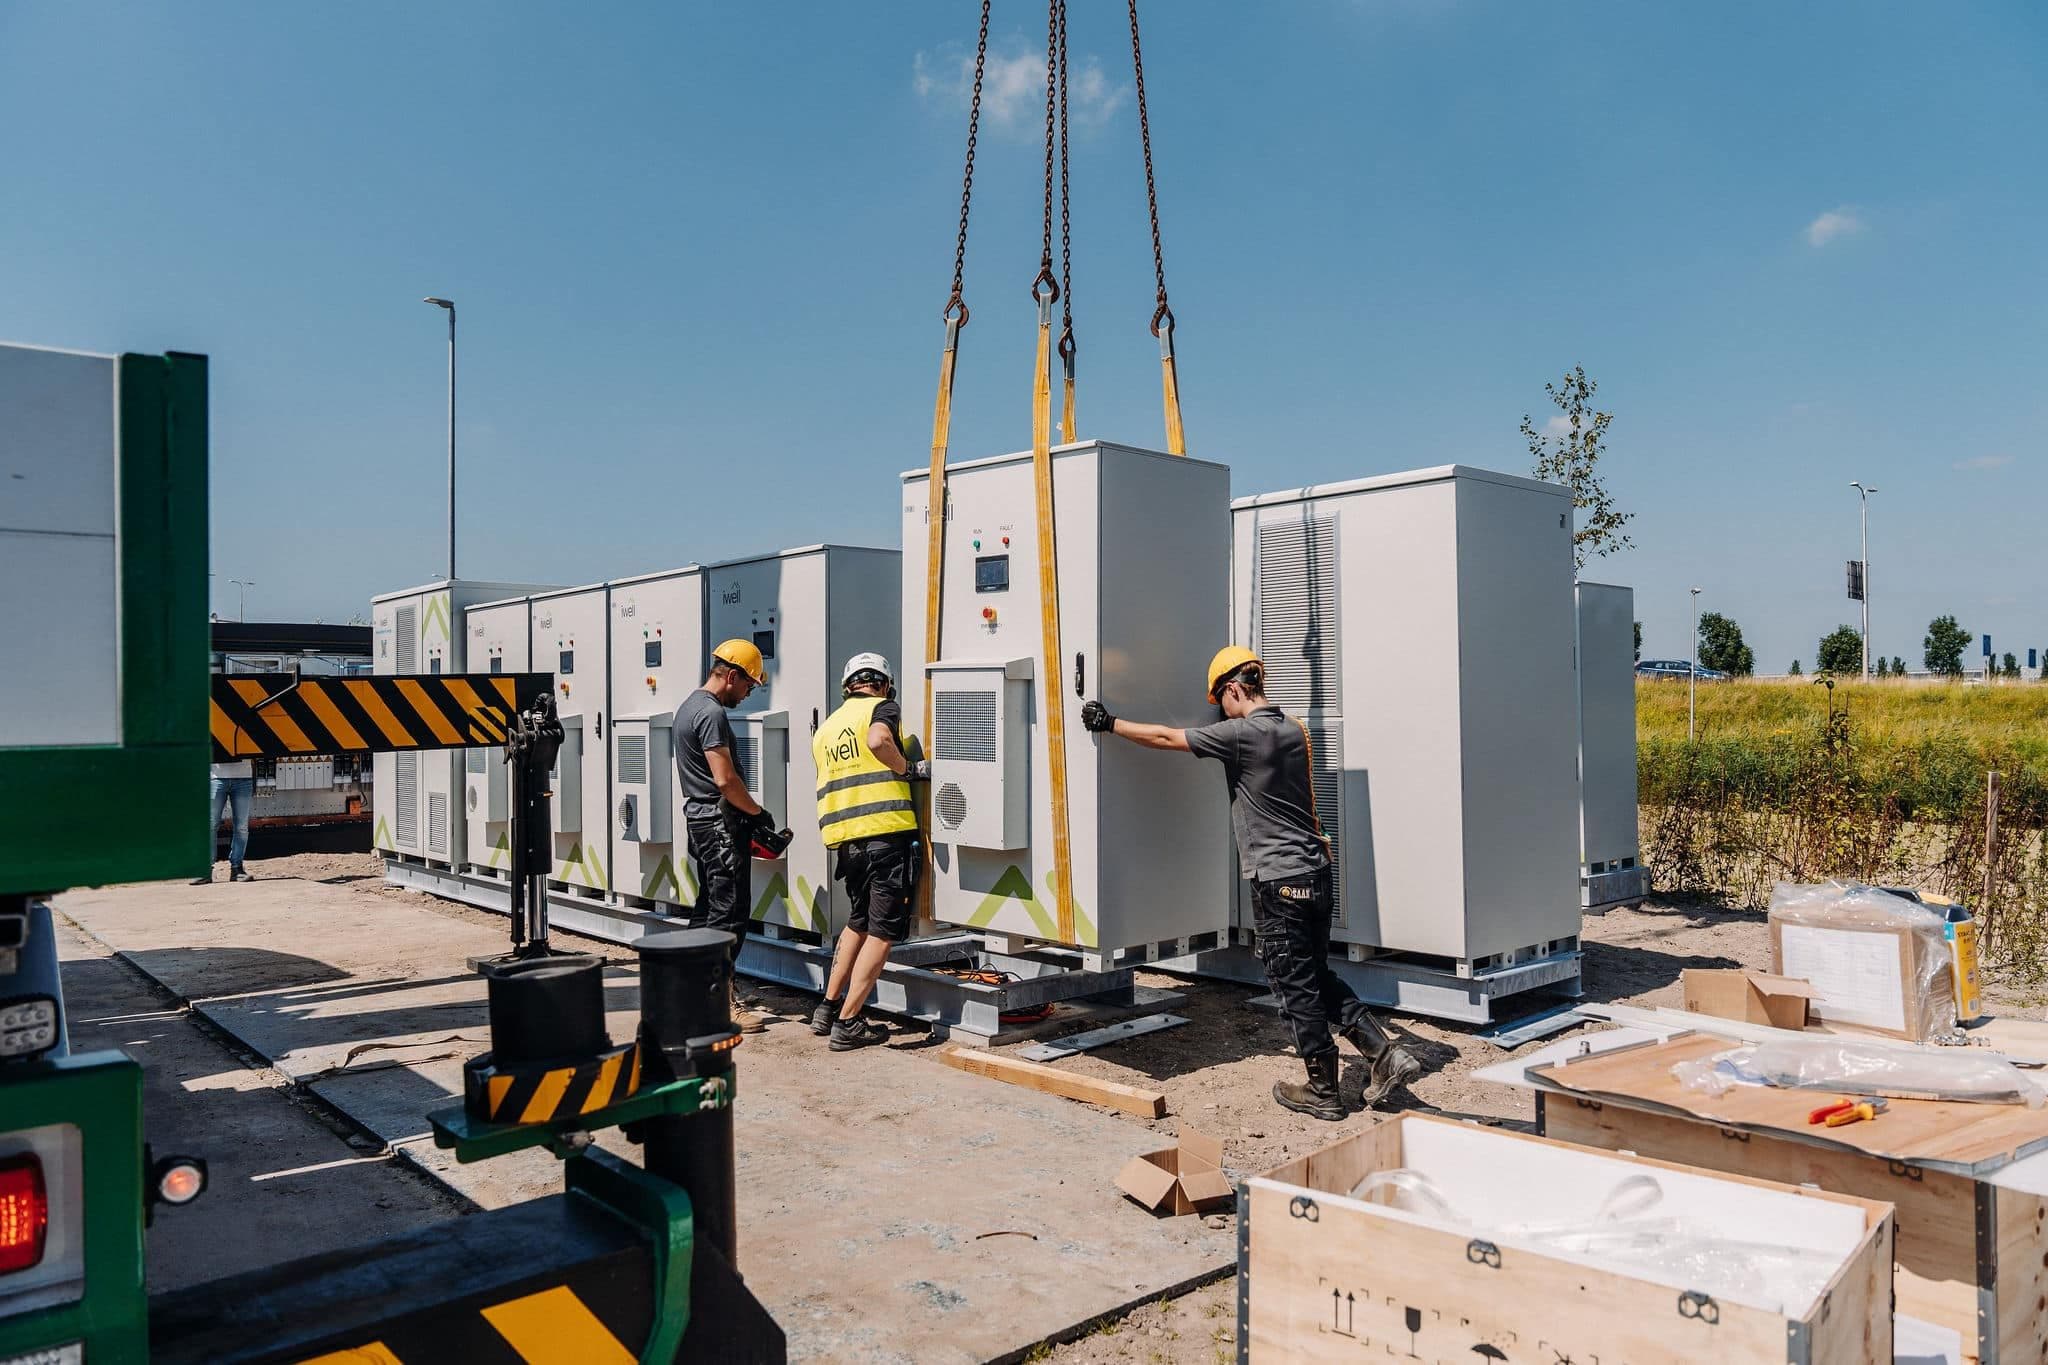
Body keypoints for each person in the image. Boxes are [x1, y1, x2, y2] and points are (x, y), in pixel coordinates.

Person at [1081, 646, 1421, 1120]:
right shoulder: (1294, 729)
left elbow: (1164, 737)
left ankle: (1323, 1091)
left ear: (1234, 690)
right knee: (1315, 973)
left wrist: (1110, 723)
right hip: (1316, 873)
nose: (1219, 712)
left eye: (1220, 701)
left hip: (1279, 881)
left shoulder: (1241, 734)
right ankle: (1384, 1054)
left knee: (1294, 985)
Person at [807, 654, 929, 1051]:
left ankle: (827, 1007)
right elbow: (878, 741)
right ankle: (849, 1023)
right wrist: (907, 769)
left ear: (847, 687)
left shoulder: (827, 728)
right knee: (882, 931)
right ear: (885, 684)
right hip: (885, 836)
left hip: (849, 843)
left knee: (857, 922)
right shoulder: (882, 708)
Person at [674, 640, 778, 1025]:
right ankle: (718, 1004)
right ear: (732, 676)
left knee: (708, 908)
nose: (749, 692)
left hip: (701, 821)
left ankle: (691, 991)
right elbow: (725, 779)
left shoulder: (689, 706)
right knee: (729, 913)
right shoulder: (711, 713)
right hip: (718, 824)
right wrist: (757, 813)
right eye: (749, 684)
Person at [194, 758, 255, 884]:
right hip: (217, 778)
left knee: (241, 827)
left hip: (244, 778)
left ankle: (237, 869)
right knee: (210, 824)